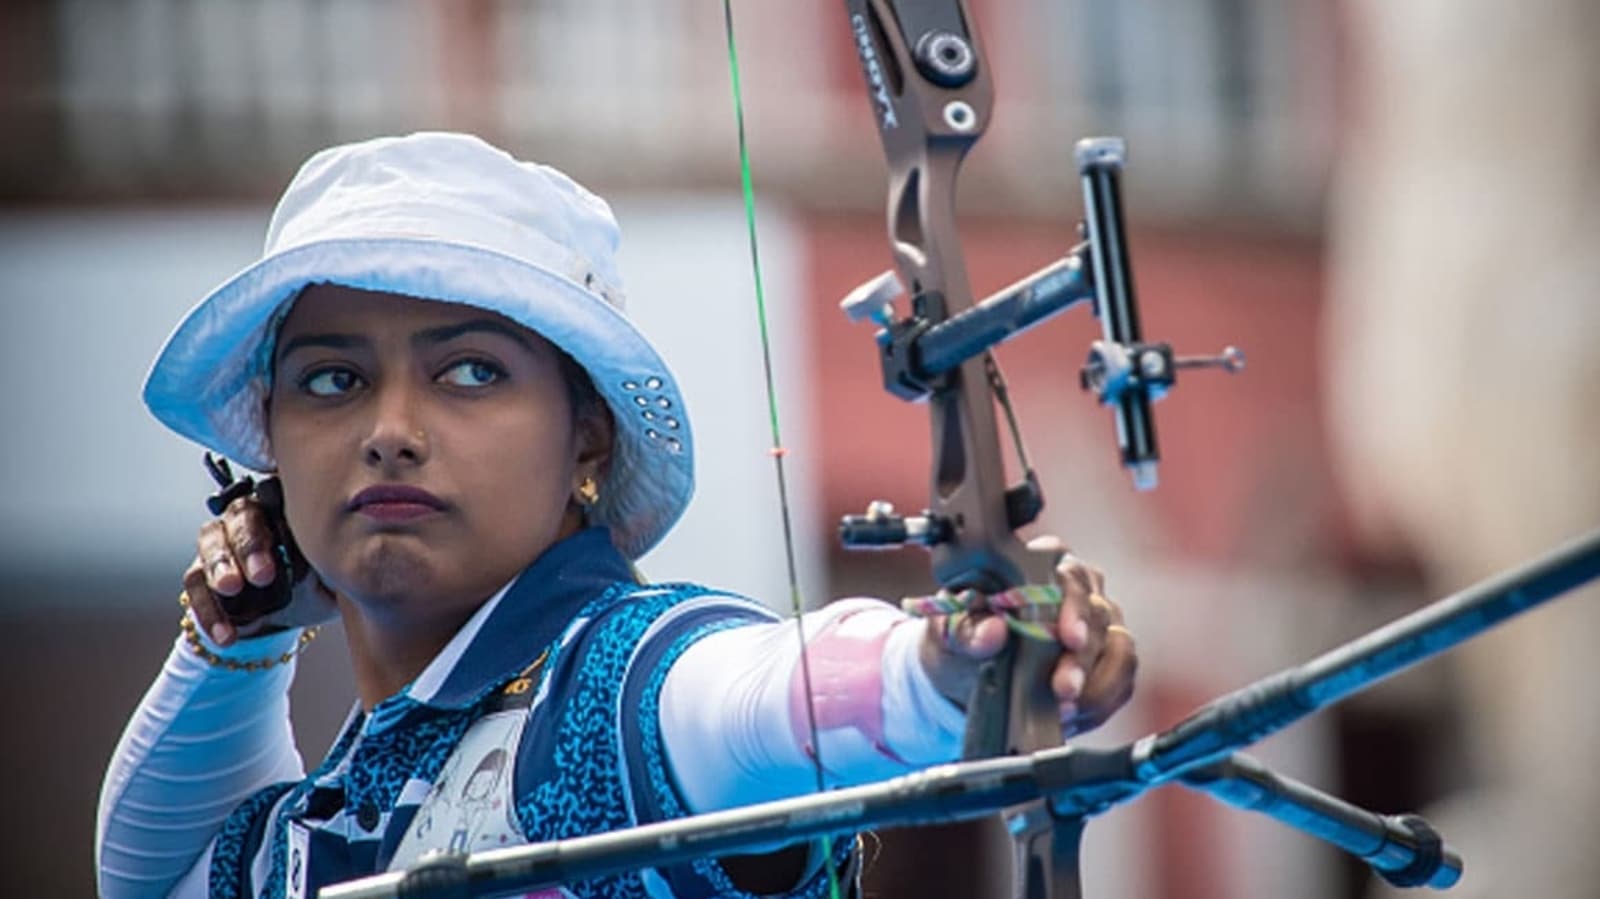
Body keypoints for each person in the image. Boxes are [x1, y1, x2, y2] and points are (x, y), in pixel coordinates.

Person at [94, 132, 1139, 898]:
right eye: (331, 381)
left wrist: (956, 662)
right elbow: (156, 871)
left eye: (469, 370)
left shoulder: (614, 680)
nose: (391, 429)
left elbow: (761, 694)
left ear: (585, 439)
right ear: (266, 453)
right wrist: (234, 633)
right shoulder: (327, 811)